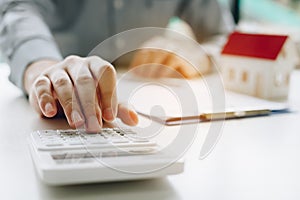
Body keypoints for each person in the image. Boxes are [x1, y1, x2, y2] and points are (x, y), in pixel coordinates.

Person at [0, 0, 234, 132]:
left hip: (151, 90)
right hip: (56, 107)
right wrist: (44, 70)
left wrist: (198, 53)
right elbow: (19, 11)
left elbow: (224, 35)